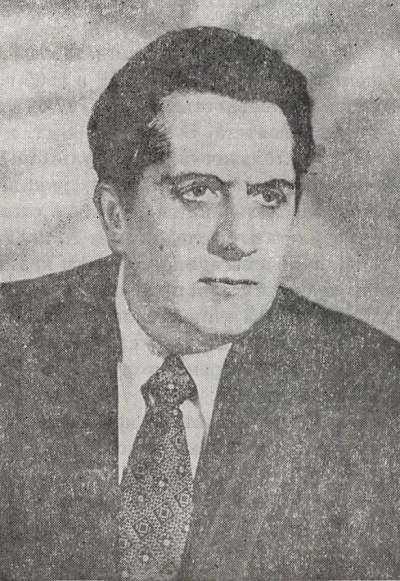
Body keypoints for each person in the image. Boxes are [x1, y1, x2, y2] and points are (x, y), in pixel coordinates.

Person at [0, 26, 399, 581]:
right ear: (116, 217)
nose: (238, 240)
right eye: (199, 191)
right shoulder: (11, 346)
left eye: (269, 197)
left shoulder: (373, 389)